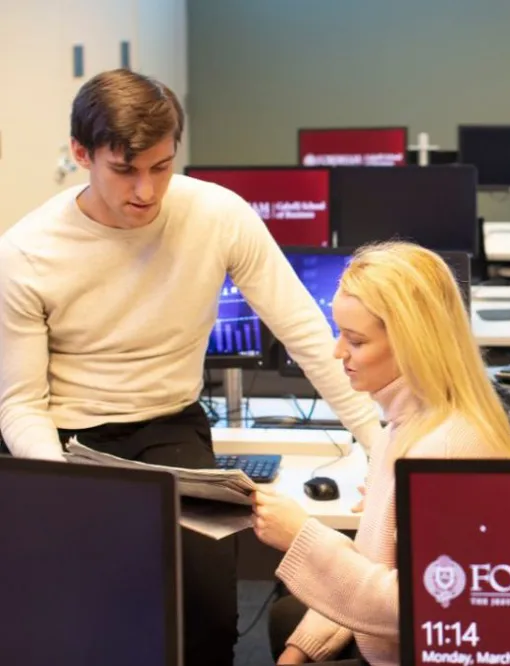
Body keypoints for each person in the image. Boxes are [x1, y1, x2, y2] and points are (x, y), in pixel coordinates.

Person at [0, 69, 383, 666]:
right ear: (81, 154)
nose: (146, 192)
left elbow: (306, 334)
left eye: (161, 167)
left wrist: (380, 446)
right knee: (91, 623)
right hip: (72, 442)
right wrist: (61, 497)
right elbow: (21, 404)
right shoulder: (27, 252)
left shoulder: (217, 213)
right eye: (124, 170)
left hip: (170, 427)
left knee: (206, 618)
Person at [252, 241, 510, 666]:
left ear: (412, 343)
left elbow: (425, 606)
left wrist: (302, 536)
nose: (339, 352)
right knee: (289, 620)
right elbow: (378, 562)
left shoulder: (442, 450)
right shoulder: (411, 421)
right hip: (390, 647)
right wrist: (301, 648)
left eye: (355, 341)